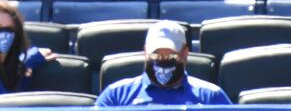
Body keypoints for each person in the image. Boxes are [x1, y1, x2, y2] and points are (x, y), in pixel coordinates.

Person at [96, 21, 232, 107]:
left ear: (184, 54)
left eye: (170, 56)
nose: (162, 60)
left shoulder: (210, 97)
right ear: (145, 53)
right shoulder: (116, 96)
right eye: (155, 55)